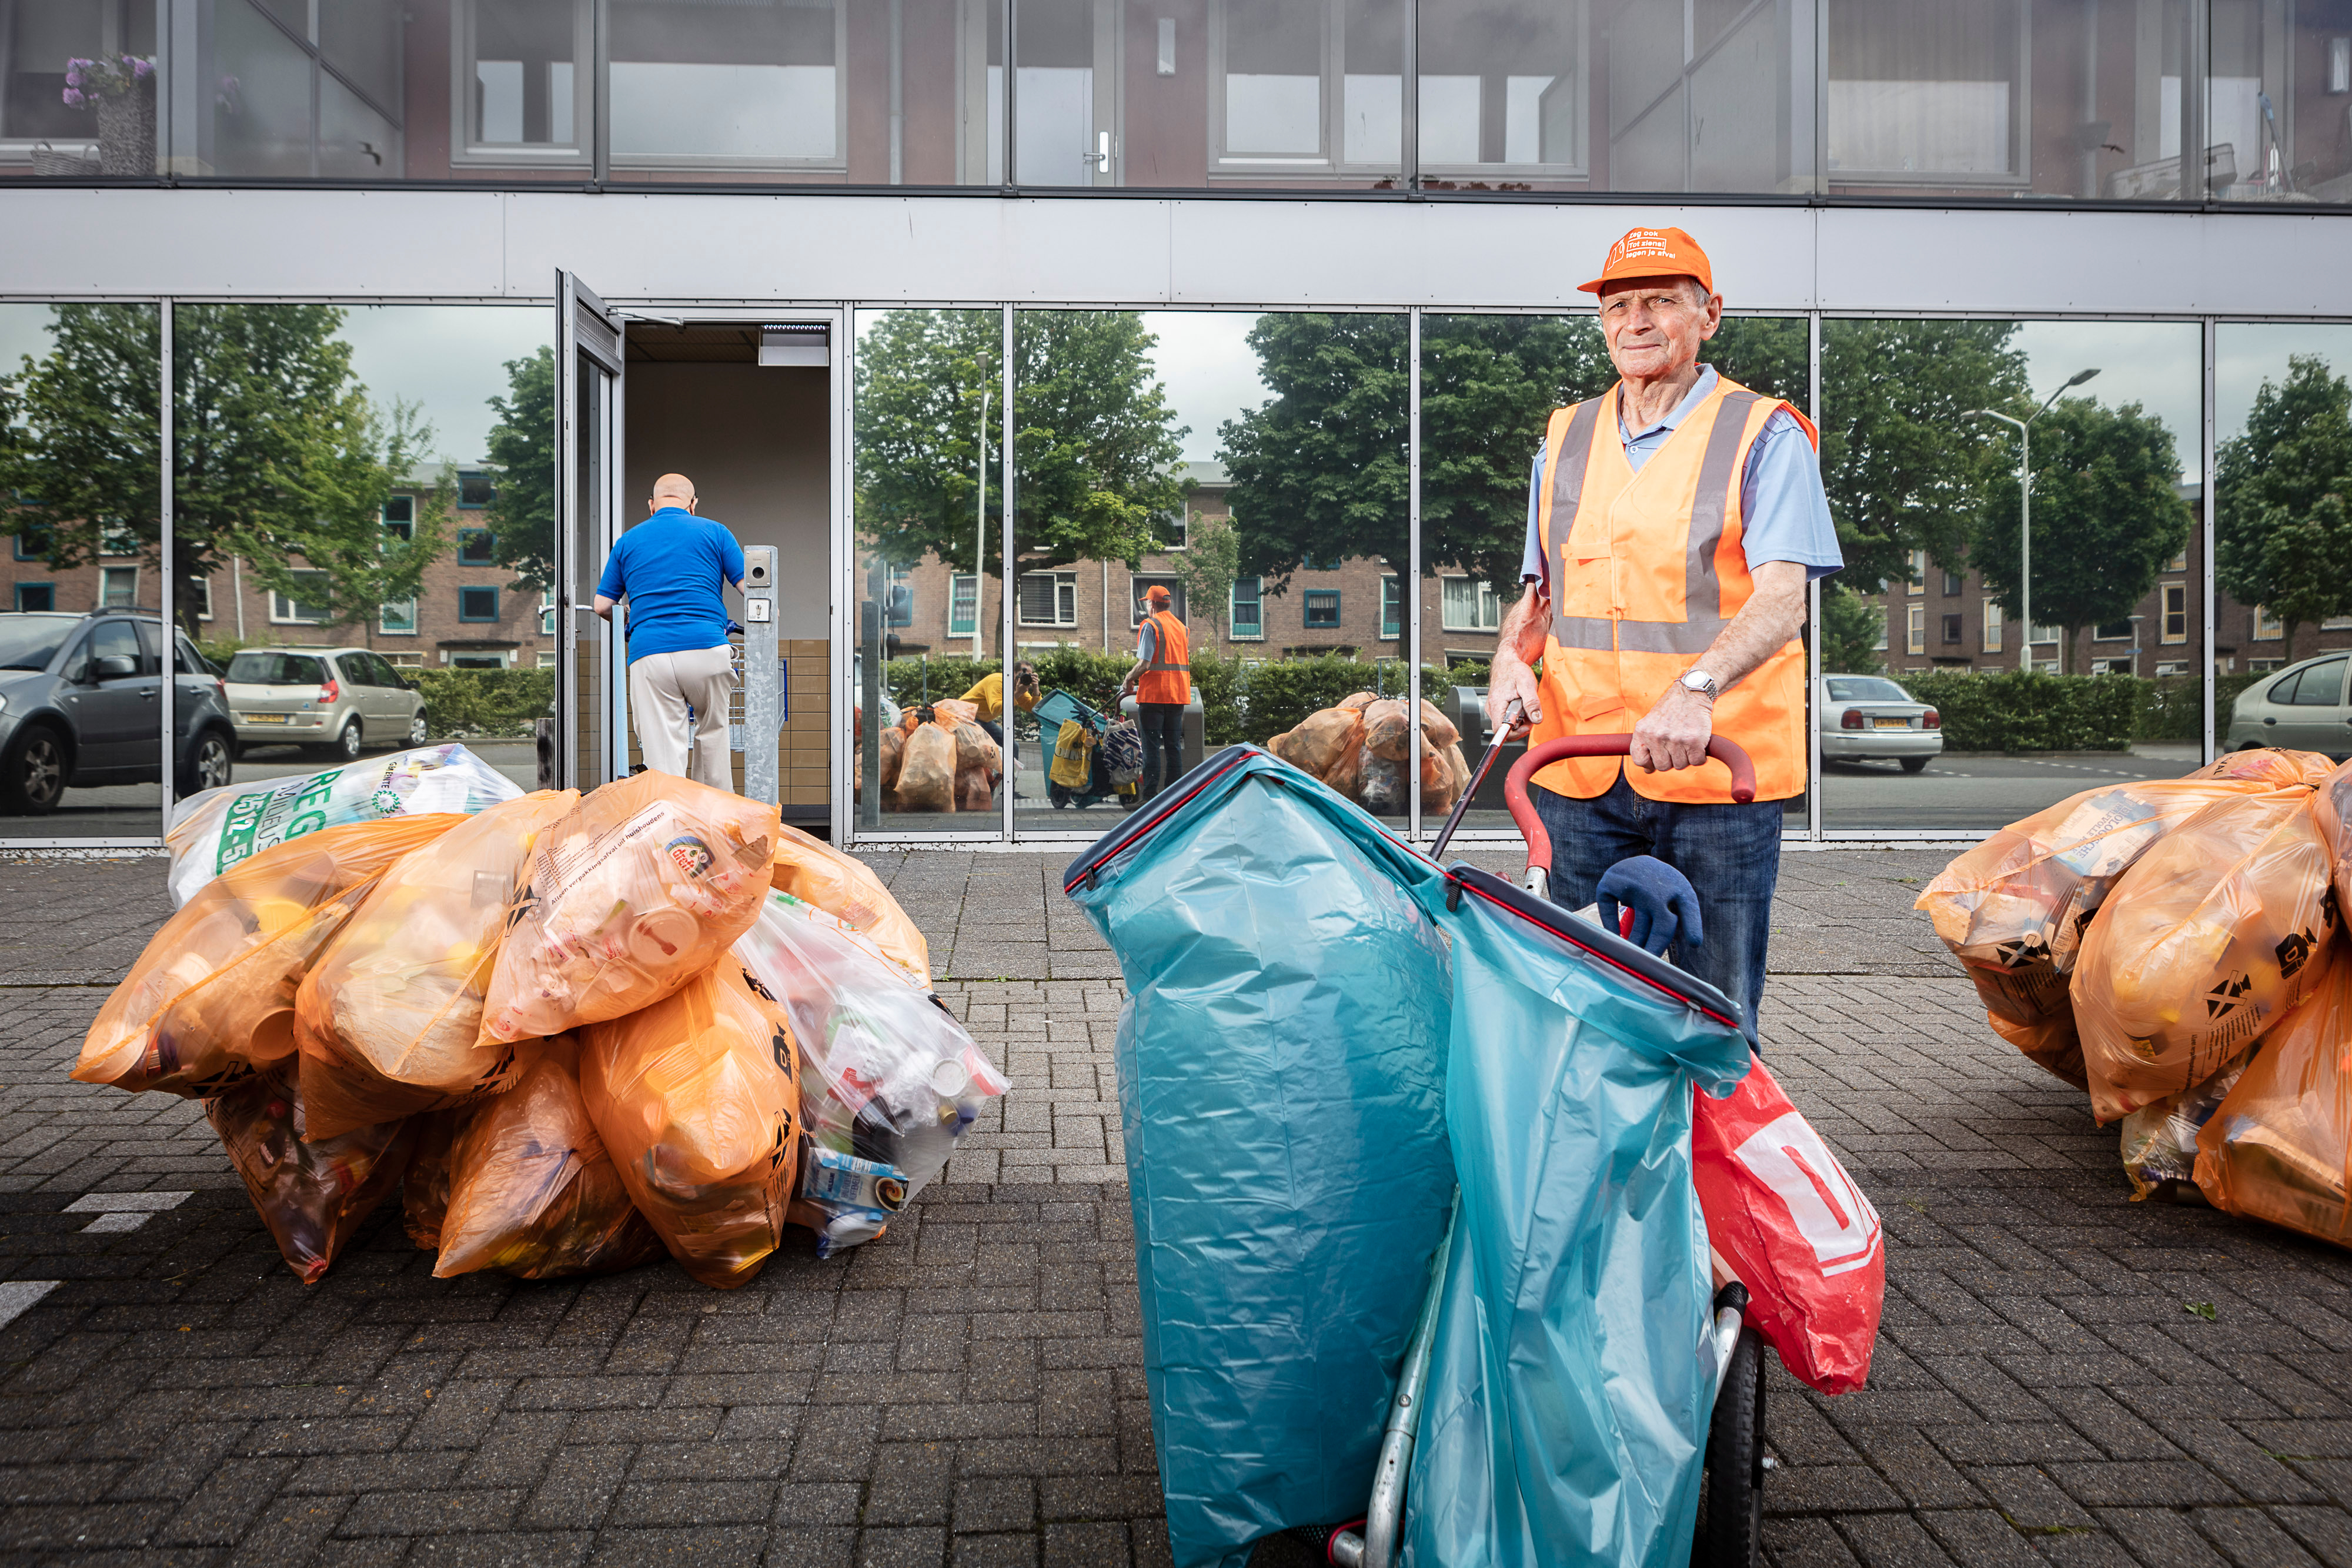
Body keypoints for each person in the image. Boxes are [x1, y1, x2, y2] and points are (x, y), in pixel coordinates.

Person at [1486, 226, 1843, 1039]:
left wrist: (1695, 691)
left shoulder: (1764, 433)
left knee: (1711, 1010)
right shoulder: (1565, 434)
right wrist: (1511, 656)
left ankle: (1710, 1157)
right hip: (1579, 774)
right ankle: (1594, 1163)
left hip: (1716, 774)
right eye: (1619, 305)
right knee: (1577, 1005)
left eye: (1660, 302)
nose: (1636, 321)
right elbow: (1540, 594)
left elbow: (1785, 596)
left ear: (1708, 315)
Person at [593, 472, 747, 791]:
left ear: (652, 505)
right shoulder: (716, 532)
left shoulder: (628, 541)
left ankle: (672, 832)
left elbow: (602, 605)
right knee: (714, 733)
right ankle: (715, 826)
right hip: (707, 649)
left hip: (650, 656)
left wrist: (630, 625)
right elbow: (753, 590)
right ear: (693, 504)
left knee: (662, 755)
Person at [1118, 585, 1190, 802]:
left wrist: (1129, 678)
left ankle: (1150, 797)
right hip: (1178, 696)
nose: (1147, 606)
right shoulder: (1182, 628)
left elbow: (1145, 663)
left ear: (1153, 604)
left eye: (1147, 602)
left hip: (1154, 697)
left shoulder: (1151, 625)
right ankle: (1174, 796)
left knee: (1150, 747)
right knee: (1173, 747)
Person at [959, 660, 1040, 748]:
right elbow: (995, 709)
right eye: (1022, 674)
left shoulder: (1019, 688)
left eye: (1028, 676)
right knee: (981, 748)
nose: (1025, 677)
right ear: (1013, 673)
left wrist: (1036, 691)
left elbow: (1035, 709)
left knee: (1013, 747)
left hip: (983, 720)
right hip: (964, 716)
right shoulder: (998, 682)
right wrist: (1017, 694)